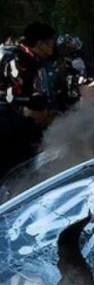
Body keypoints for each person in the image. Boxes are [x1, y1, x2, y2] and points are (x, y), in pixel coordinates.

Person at [0, 21, 59, 176]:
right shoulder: (14, 58)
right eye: (51, 43)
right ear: (40, 43)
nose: (53, 48)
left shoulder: (32, 60)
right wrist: (34, 106)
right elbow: (12, 97)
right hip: (8, 126)